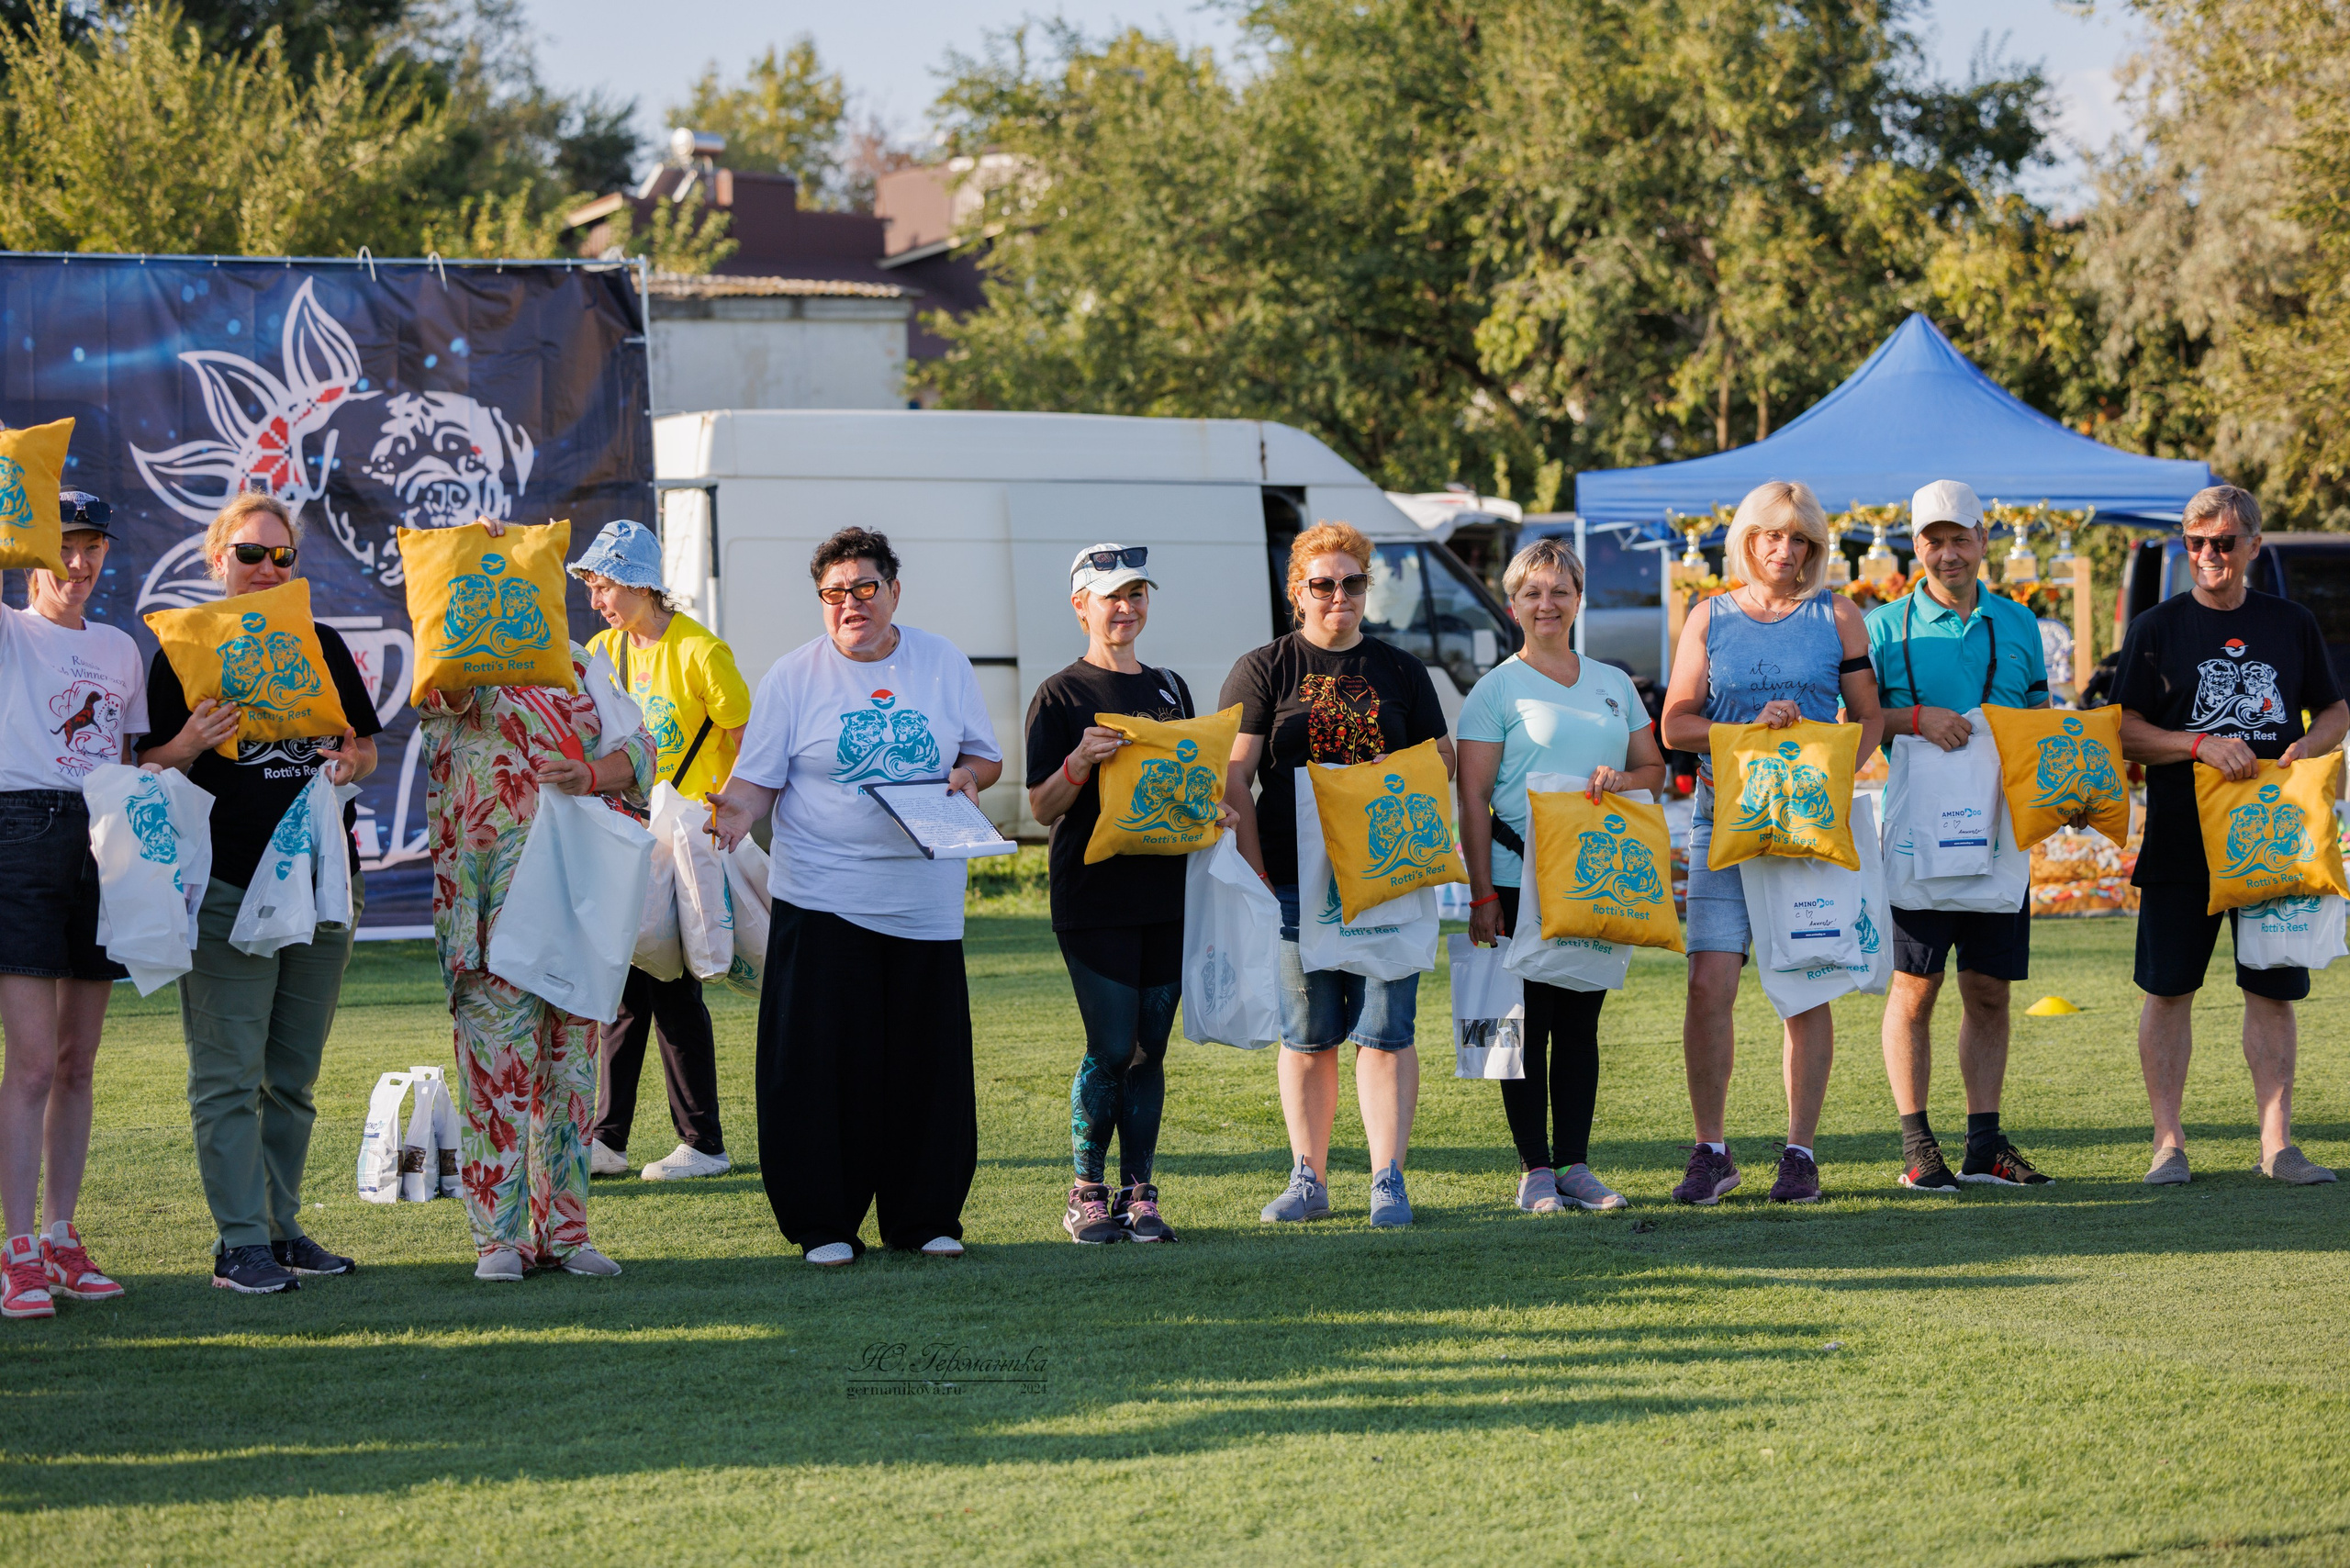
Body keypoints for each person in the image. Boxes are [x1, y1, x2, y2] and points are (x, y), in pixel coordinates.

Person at [706, 527, 1002, 1267]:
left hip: (924, 900)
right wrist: (735, 812)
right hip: (821, 896)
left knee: (923, 1066)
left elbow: (983, 754)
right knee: (817, 1067)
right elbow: (756, 779)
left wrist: (967, 778)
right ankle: (825, 1224)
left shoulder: (941, 661)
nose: (850, 605)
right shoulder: (792, 676)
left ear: (894, 591)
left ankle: (924, 1216)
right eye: (834, 593)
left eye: (864, 589)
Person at [138, 492, 381, 1294]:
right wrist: (185, 743)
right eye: (250, 554)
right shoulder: (181, 651)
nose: (267, 569)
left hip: (318, 885)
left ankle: (280, 1230)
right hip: (225, 886)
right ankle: (237, 1242)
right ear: (218, 560)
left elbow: (365, 747)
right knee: (228, 1077)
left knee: (293, 1079)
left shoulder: (323, 643)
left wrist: (351, 765)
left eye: (282, 557)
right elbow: (144, 768)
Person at [415, 517, 654, 1281]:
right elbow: (436, 686)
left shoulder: (585, 667)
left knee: (570, 1072)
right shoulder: (461, 667)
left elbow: (643, 752)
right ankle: (501, 1238)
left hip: (575, 903)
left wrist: (590, 773)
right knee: (497, 1073)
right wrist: (480, 543)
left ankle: (566, 1231)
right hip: (488, 909)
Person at [1221, 521, 1452, 1228]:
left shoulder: (1403, 671)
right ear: (1298, 592)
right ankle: (1309, 1178)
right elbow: (1233, 780)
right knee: (1309, 1031)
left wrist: (1386, 779)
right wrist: (1257, 874)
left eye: (1352, 583)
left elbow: (1440, 758)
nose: (1338, 596)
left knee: (1386, 1031)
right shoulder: (1265, 668)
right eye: (1322, 584)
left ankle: (1388, 1180)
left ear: (1366, 589)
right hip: (1294, 880)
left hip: (1388, 875)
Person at [2116, 484, 2347, 1187]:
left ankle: (2277, 1146)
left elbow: (2336, 708)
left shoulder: (2291, 621)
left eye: (2222, 542)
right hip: (2184, 841)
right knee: (2168, 990)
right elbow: (2124, 730)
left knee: (2273, 991)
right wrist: (2196, 746)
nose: (2209, 555)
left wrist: (2310, 746)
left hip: (2272, 838)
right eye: (2196, 544)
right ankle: (2168, 1144)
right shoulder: (2156, 627)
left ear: (2251, 545)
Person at [1659, 480, 1883, 1205]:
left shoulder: (1839, 614)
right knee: (1708, 985)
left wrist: (1837, 780)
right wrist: (1752, 729)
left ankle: (1800, 1153)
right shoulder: (1709, 617)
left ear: (1815, 548)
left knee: (1805, 986)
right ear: (1747, 540)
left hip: (1809, 829)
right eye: (1771, 536)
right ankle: (1711, 1151)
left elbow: (1868, 718)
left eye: (1800, 540)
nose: (1785, 551)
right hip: (1725, 821)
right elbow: (1675, 726)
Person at [1026, 543, 1230, 1245]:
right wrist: (1078, 760)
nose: (1125, 608)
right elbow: (1042, 807)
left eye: (1137, 594)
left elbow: (1182, 785)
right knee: (1110, 1046)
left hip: (1168, 896)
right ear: (1080, 604)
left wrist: (1213, 810)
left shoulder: (1170, 688)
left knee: (1150, 1049)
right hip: (1092, 898)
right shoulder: (1060, 694)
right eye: (1111, 596)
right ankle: (1086, 1191)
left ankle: (1140, 1193)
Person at [1457, 536, 1666, 1215]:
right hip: (1521, 880)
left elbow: (1654, 772)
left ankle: (1576, 1165)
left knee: (1581, 1026)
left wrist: (1621, 778)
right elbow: (1473, 801)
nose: (1547, 604)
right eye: (1532, 592)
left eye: (1559, 591)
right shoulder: (1495, 690)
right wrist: (1483, 892)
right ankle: (1535, 1170)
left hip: (1595, 879)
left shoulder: (1612, 684)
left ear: (1579, 599)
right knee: (1524, 1027)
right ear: (1512, 604)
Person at [1866, 480, 2054, 1193]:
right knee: (1915, 989)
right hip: (1920, 831)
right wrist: (1917, 719)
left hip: (2001, 835)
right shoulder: (1883, 627)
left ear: (1984, 540)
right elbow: (1855, 724)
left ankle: (1985, 1145)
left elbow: (2039, 721)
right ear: (1916, 547)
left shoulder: (2020, 622)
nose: (1947, 553)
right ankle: (1919, 1145)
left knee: (1990, 991)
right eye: (1933, 541)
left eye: (1960, 538)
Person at [0, 492, 154, 1319]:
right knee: (27, 1064)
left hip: (103, 832)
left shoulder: (120, 648)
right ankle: (17, 1250)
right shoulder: (7, 629)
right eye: (63, 546)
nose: (80, 563)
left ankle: (62, 1236)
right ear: (29, 552)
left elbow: (128, 755)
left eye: (92, 546)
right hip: (19, 832)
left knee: (76, 1062)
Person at [570, 519, 750, 1182]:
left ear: (643, 584)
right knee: (625, 988)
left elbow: (745, 741)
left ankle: (703, 1143)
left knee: (670, 987)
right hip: (627, 836)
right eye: (591, 585)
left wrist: (724, 812)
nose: (596, 599)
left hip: (686, 841)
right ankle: (608, 1139)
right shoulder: (601, 649)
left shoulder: (703, 650)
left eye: (605, 584)